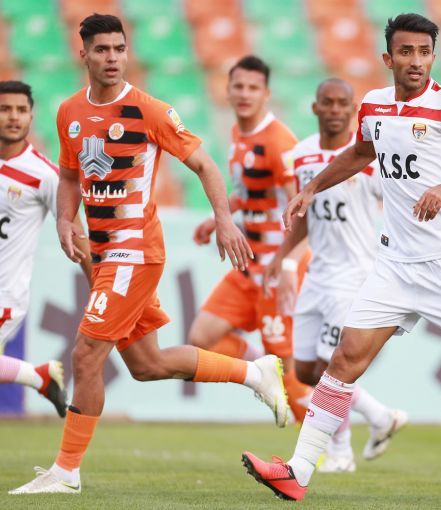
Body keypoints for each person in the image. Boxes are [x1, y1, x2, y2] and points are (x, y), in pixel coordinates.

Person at [241, 13, 441, 501]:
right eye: (406, 52)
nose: (416, 61)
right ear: (388, 58)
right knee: (344, 359)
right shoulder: (373, 104)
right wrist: (311, 189)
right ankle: (298, 471)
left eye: (424, 52)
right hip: (393, 264)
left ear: (433, 57)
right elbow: (360, 152)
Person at [9, 14, 287, 495]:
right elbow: (70, 176)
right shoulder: (70, 111)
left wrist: (224, 220)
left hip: (135, 251)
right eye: (102, 49)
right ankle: (254, 372)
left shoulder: (150, 110)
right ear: (84, 54)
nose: (112, 58)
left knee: (85, 355)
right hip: (103, 255)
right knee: (147, 365)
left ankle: (66, 472)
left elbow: (205, 165)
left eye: (119, 49)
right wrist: (63, 220)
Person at [264, 78, 407, 473]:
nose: (335, 110)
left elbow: (398, 205)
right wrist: (283, 256)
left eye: (343, 103)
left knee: (331, 369)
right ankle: (380, 416)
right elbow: (305, 213)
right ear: (315, 108)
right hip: (317, 275)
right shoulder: (301, 155)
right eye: (327, 102)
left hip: (354, 275)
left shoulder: (369, 158)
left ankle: (341, 453)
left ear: (353, 110)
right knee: (305, 370)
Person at [188, 55, 313, 423]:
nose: (245, 94)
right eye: (239, 86)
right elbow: (249, 192)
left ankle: (325, 445)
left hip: (277, 265)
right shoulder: (238, 134)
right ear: (227, 91)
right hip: (249, 261)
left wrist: (288, 264)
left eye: (253, 88)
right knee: (202, 338)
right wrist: (219, 218)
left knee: (288, 364)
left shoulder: (279, 142)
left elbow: (301, 210)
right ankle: (261, 369)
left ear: (266, 94)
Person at [0, 80, 90, 417]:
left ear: (31, 117)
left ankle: (36, 377)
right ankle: (38, 377)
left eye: (21, 110)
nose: (13, 117)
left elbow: (78, 236)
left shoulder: (45, 175)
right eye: (5, 109)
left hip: (5, 293)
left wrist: (101, 291)